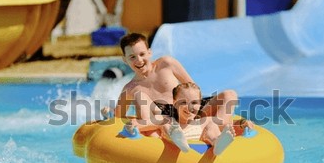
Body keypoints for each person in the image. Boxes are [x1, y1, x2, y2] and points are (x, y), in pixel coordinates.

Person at [102, 33, 238, 127]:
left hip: (189, 110)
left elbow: (193, 87)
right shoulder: (131, 88)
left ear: (149, 52)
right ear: (125, 60)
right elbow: (118, 117)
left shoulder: (166, 64)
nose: (139, 60)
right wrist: (108, 112)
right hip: (166, 120)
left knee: (230, 95)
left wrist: (196, 110)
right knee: (139, 96)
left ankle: (216, 129)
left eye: (142, 54)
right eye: (132, 57)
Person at [125, 82, 254, 155]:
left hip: (200, 134)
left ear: (200, 103)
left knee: (211, 124)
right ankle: (176, 138)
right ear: (175, 103)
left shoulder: (203, 121)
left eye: (194, 103)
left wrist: (243, 124)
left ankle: (217, 143)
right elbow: (143, 124)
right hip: (175, 137)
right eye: (183, 103)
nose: (189, 107)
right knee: (166, 124)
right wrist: (133, 126)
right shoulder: (167, 118)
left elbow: (230, 124)